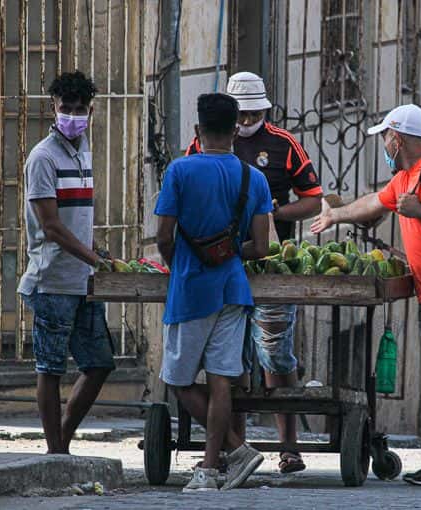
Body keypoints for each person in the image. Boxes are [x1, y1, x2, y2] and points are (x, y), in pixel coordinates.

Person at [311, 104, 421, 486]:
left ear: (397, 137)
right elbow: (375, 202)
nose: (385, 145)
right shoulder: (406, 177)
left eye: (386, 138)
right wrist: (336, 216)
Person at [186, 71, 322, 474]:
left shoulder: (284, 145)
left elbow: (313, 201)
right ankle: (236, 447)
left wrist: (271, 213)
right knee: (232, 360)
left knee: (277, 356)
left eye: (252, 115)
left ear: (265, 111)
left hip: (270, 263)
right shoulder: (204, 143)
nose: (245, 122)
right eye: (240, 116)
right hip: (222, 263)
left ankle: (289, 447)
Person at [155, 93, 273, 491]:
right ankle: (210, 468)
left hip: (190, 288)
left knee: (179, 378)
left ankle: (237, 449)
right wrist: (226, 252)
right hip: (234, 289)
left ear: (197, 130)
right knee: (223, 378)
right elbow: (261, 248)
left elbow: (164, 237)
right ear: (236, 131)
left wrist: (187, 263)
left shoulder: (179, 171)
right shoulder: (252, 178)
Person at [17, 71, 116, 455]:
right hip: (52, 280)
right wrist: (93, 258)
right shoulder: (43, 157)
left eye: (79, 110)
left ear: (90, 111)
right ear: (53, 109)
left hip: (84, 280)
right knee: (51, 368)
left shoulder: (83, 148)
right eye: (66, 109)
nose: (73, 116)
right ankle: (55, 450)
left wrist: (97, 252)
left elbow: (76, 217)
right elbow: (52, 227)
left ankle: (63, 440)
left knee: (100, 364)